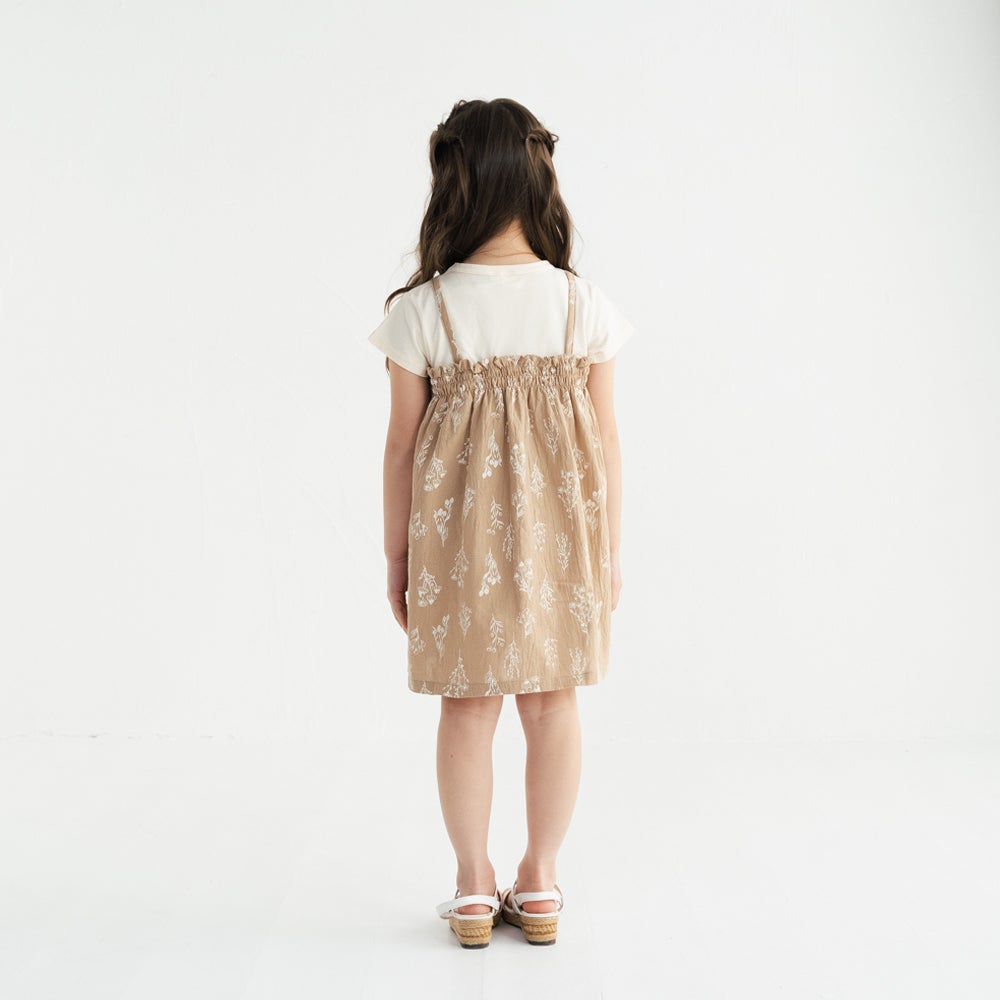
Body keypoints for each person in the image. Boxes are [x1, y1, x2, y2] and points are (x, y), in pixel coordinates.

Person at [368, 98, 633, 948]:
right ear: (538, 181)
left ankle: (475, 887)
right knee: (553, 706)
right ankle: (542, 881)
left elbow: (401, 448)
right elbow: (605, 441)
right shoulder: (581, 304)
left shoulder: (425, 310)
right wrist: (609, 552)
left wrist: (397, 555)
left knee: (468, 708)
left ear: (455, 186)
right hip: (565, 541)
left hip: (457, 546)